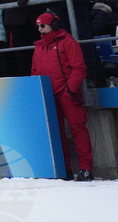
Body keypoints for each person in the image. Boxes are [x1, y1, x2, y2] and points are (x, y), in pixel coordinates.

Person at [31, 11, 94, 181]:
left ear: (54, 25)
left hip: (67, 94)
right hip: (49, 95)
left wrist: (69, 90)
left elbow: (79, 67)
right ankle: (63, 169)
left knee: (78, 129)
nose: (40, 29)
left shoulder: (68, 42)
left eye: (42, 25)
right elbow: (35, 71)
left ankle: (86, 168)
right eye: (38, 26)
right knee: (56, 133)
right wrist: (39, 91)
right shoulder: (39, 46)